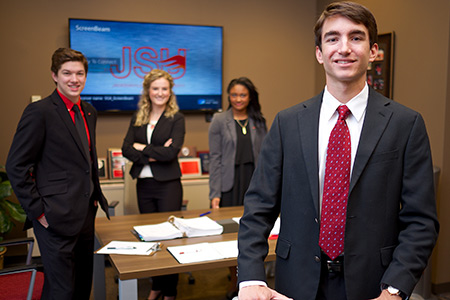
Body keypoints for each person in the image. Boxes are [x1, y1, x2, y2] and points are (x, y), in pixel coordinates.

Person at [236, 2, 439, 300]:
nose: (344, 48)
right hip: (296, 283)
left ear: (372, 51)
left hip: (374, 284)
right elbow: (258, 208)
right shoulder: (288, 123)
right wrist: (251, 278)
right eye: (332, 38)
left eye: (356, 37)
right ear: (319, 53)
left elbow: (421, 221)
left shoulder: (406, 124)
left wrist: (394, 290)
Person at [6, 48, 110, 299]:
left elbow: (85, 159)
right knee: (63, 290)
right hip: (53, 216)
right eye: (67, 73)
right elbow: (16, 165)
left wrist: (94, 196)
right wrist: (38, 211)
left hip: (85, 212)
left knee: (82, 285)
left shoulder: (89, 111)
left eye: (80, 73)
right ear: (54, 75)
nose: (74, 79)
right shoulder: (39, 112)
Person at [122, 69, 185, 300]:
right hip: (144, 186)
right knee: (151, 238)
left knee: (170, 238)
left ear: (170, 92)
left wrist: (142, 148)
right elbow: (125, 148)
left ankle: (170, 291)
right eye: (155, 88)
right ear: (148, 91)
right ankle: (157, 286)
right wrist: (153, 152)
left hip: (168, 184)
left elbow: (171, 153)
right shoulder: (138, 116)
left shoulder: (176, 118)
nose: (160, 93)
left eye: (164, 89)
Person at [208, 77, 267, 299]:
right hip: (229, 185)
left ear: (250, 96)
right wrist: (214, 193)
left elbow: (267, 156)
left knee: (252, 232)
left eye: (242, 95)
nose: (238, 99)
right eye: (234, 95)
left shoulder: (258, 121)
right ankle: (235, 279)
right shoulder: (219, 120)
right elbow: (215, 158)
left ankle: (248, 278)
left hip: (254, 182)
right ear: (228, 96)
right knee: (231, 237)